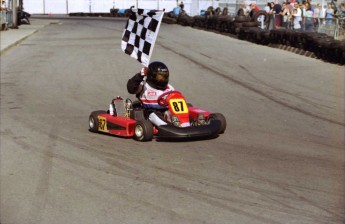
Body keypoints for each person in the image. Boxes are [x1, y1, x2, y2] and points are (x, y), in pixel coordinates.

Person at [125, 61, 177, 127]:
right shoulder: (144, 86)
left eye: (165, 76)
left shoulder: (170, 88)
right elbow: (131, 88)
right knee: (153, 115)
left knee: (187, 108)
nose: (163, 79)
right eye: (160, 77)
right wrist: (139, 76)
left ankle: (184, 123)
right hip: (150, 113)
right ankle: (168, 127)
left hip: (167, 111)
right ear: (152, 76)